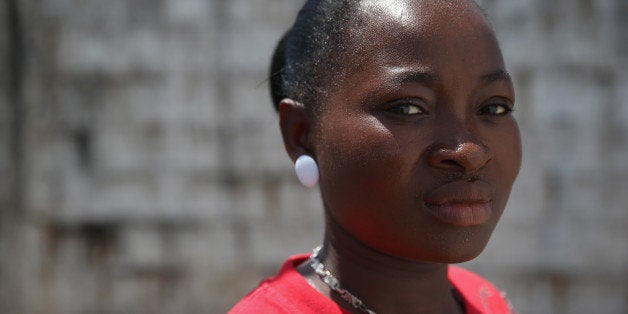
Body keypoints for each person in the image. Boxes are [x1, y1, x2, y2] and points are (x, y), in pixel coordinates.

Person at [231, 0, 520, 313]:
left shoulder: (485, 300)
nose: (470, 153)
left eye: (494, 107)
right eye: (407, 108)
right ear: (302, 134)